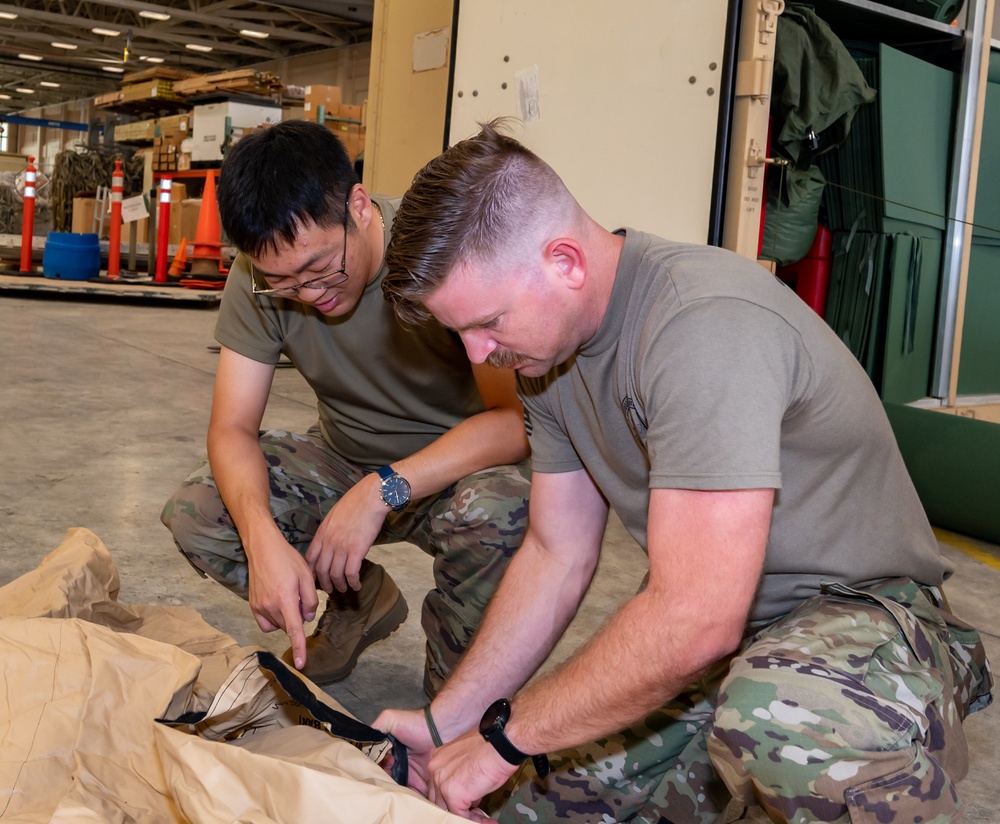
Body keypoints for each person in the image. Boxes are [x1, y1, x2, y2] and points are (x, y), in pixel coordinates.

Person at [375, 121, 994, 823]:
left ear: (565, 262)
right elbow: (555, 554)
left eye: (487, 322)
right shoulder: (545, 361)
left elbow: (696, 617)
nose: (478, 352)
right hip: (735, 645)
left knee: (782, 726)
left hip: (866, 622)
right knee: (521, 801)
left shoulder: (700, 326)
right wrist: (446, 725)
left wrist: (501, 742)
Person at [160, 120, 530, 697]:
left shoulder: (438, 247)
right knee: (200, 511)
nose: (309, 295)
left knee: (504, 513)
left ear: (357, 206)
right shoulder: (262, 271)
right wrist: (261, 541)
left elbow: (514, 423)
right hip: (342, 460)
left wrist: (382, 490)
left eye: (320, 269)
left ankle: (457, 703)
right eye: (283, 284)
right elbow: (232, 428)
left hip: (458, 472)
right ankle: (359, 600)